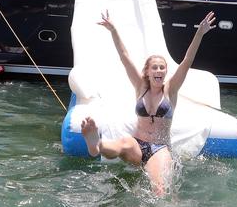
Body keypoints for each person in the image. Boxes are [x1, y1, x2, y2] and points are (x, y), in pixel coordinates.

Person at [80, 10, 216, 196]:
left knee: (159, 189)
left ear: (165, 72)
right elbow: (125, 57)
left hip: (159, 148)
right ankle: (97, 145)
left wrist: (199, 33)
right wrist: (113, 30)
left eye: (162, 67)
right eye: (155, 67)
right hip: (137, 144)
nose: (159, 70)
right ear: (148, 71)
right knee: (123, 144)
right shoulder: (140, 86)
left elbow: (187, 60)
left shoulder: (171, 89)